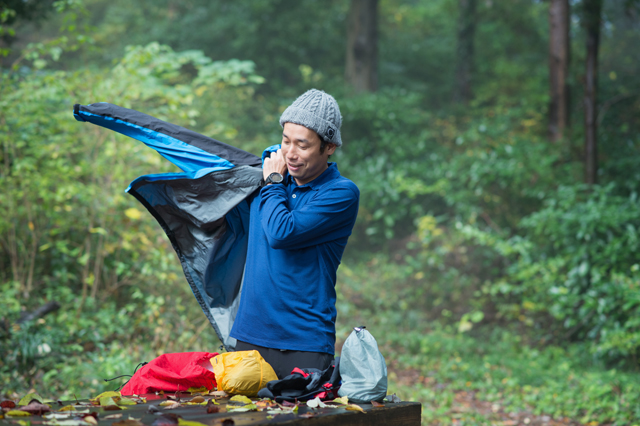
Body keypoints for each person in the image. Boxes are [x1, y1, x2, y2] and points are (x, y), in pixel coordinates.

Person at [229, 89, 360, 378]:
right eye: (285, 141)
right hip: (249, 336)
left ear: (329, 147)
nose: (291, 153)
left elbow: (281, 233)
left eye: (302, 145)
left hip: (303, 343)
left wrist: (274, 180)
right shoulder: (268, 179)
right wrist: (274, 176)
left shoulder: (340, 193)